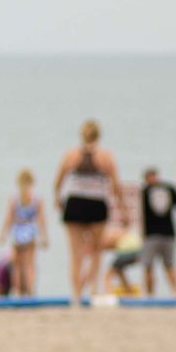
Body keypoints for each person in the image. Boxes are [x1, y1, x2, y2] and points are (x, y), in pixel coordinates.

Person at [52, 120, 123, 303]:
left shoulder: (71, 155)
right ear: (98, 136)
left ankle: (76, 295)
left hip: (75, 202)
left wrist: (58, 199)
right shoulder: (105, 156)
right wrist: (121, 206)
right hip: (96, 203)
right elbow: (116, 185)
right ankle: (92, 290)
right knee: (96, 251)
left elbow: (58, 181)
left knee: (75, 255)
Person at [136, 168, 176, 296]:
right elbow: (140, 215)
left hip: (166, 233)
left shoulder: (166, 189)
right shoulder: (146, 191)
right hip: (152, 234)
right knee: (150, 265)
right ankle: (151, 294)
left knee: (169, 265)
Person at [1, 169, 46, 296]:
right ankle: (30, 290)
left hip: (17, 232)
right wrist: (44, 237)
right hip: (30, 232)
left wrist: (3, 235)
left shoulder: (14, 200)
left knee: (17, 265)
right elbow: (41, 220)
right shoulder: (36, 200)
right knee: (29, 264)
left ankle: (18, 291)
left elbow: (8, 219)